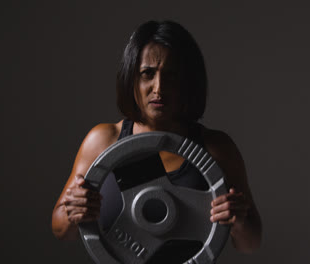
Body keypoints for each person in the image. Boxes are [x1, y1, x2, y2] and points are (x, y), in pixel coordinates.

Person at [51, 20, 262, 262]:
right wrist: (73, 211)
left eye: (171, 76)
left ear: (187, 83)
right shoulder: (103, 140)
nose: (158, 88)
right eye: (147, 73)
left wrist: (238, 220)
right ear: (132, 78)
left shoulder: (216, 148)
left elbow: (250, 244)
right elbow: (61, 231)